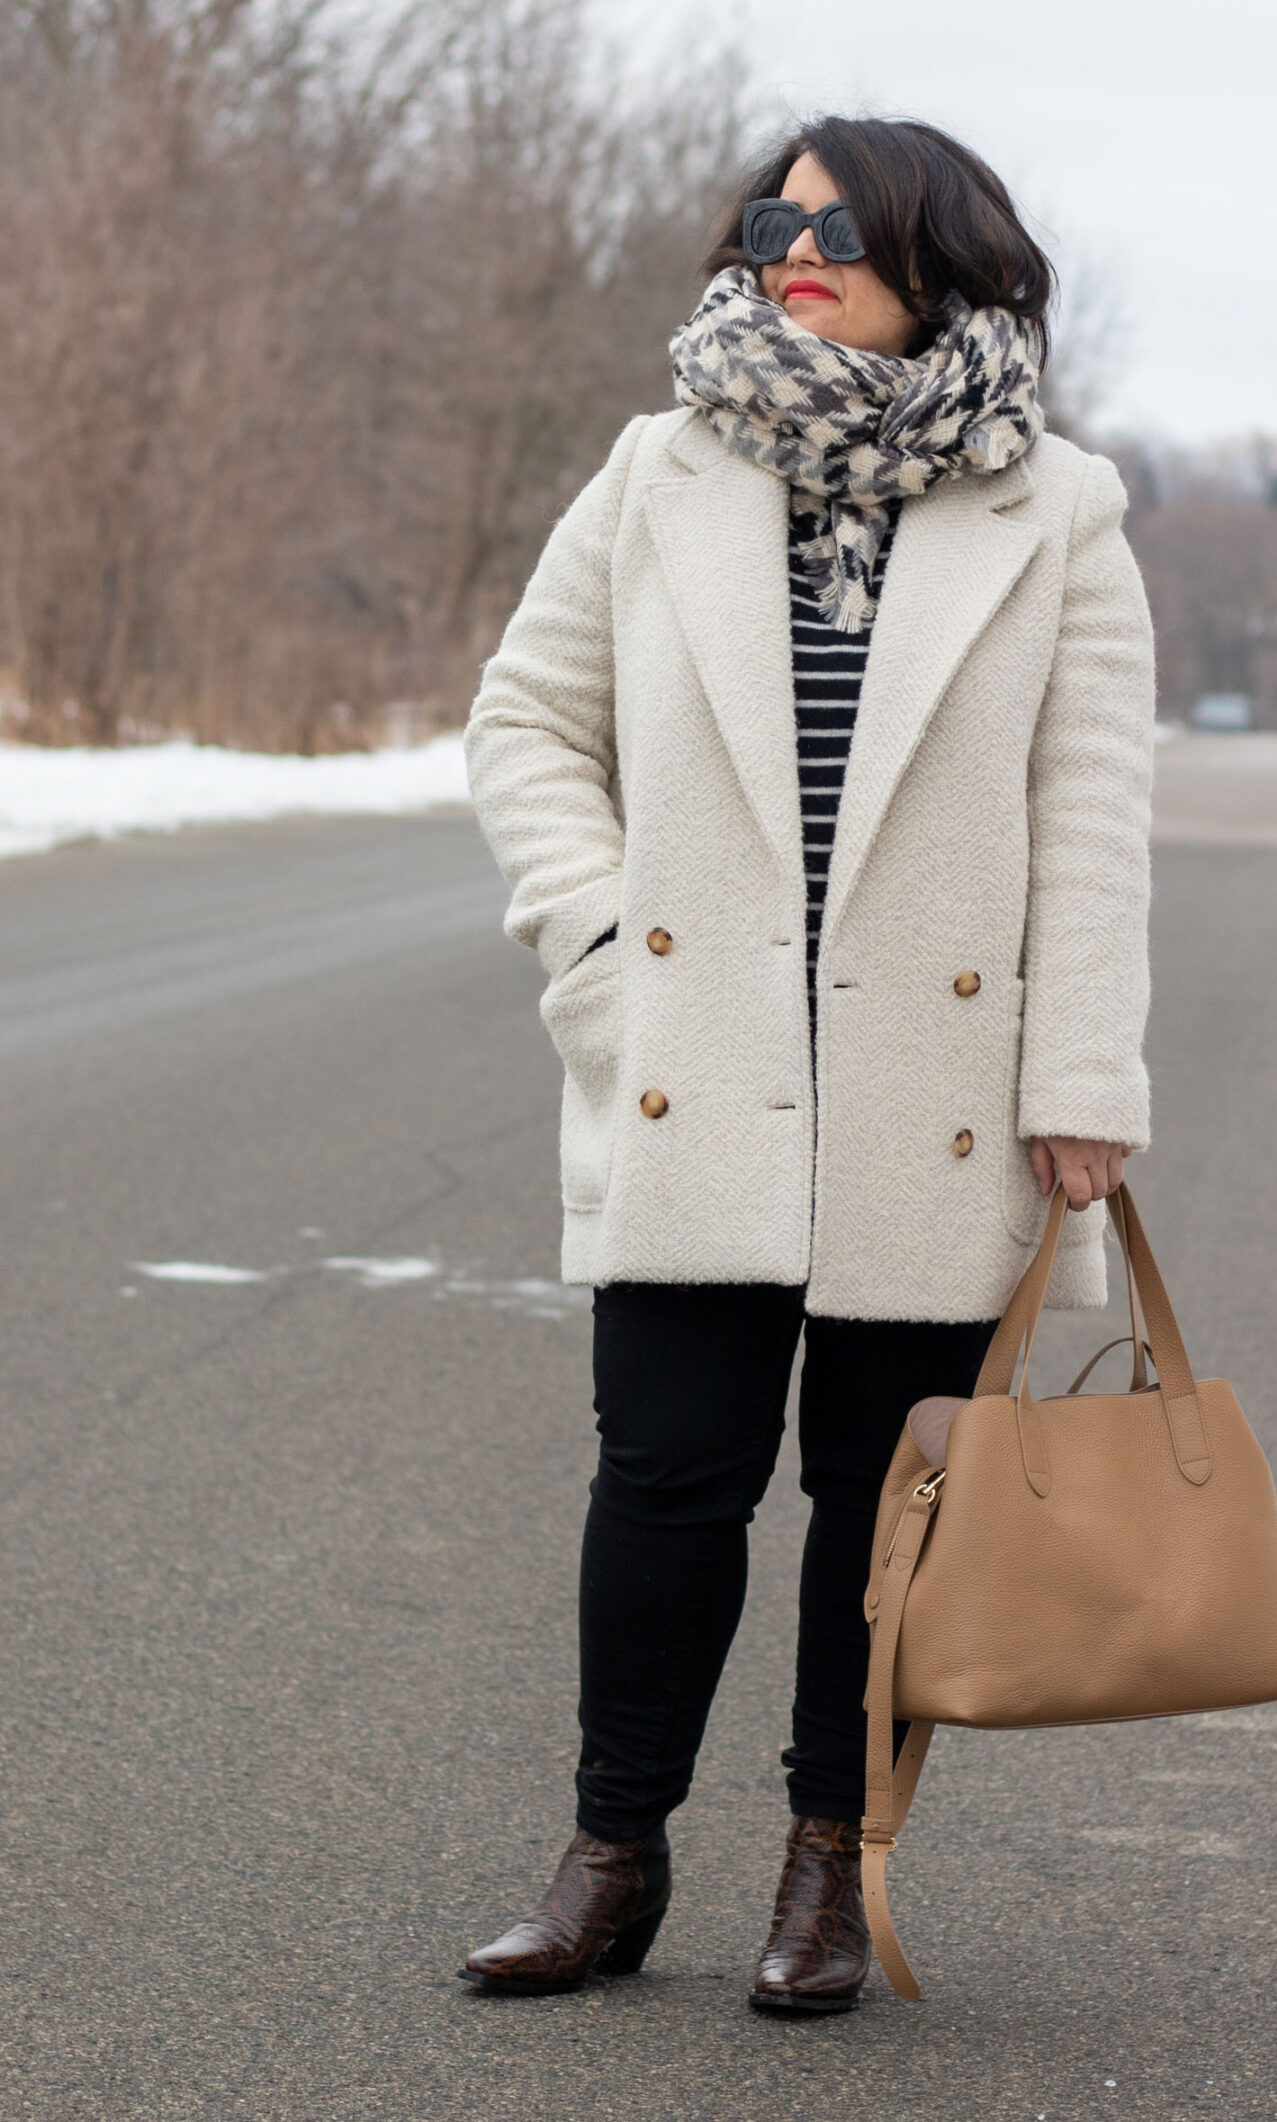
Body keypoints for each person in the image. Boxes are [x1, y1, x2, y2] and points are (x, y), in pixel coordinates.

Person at [457, 115, 1154, 2013]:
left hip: (937, 1087)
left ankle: (829, 1863)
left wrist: (1080, 1070)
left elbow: (1089, 814)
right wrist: (600, 956)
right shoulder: (660, 468)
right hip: (702, 1059)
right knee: (666, 1473)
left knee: (884, 1498)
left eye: (836, 229)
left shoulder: (1056, 506)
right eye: (772, 221)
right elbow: (525, 725)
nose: (791, 252)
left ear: (939, 254)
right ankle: (611, 1854)